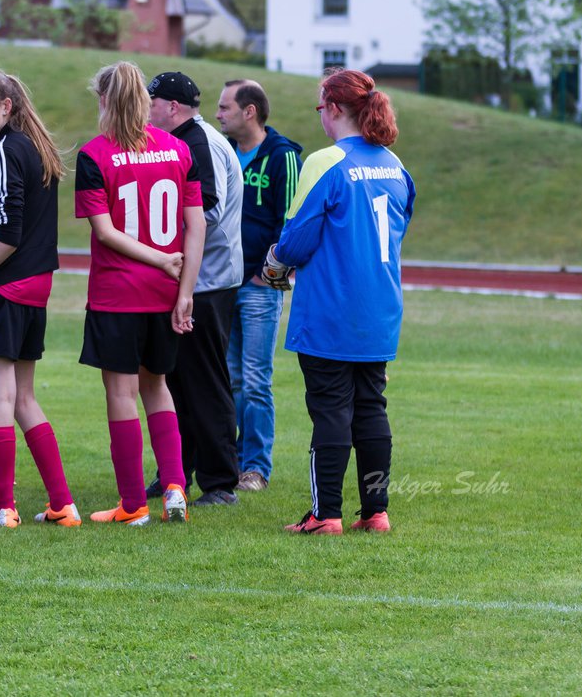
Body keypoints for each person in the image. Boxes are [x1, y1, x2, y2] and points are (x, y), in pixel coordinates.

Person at [262, 68, 414, 535]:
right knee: (371, 408)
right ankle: (376, 511)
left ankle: (325, 514)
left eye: (319, 108)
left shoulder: (324, 161)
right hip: (381, 308)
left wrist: (273, 264)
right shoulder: (395, 165)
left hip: (331, 307)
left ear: (332, 108)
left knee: (331, 411)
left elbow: (296, 240)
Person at [76, 61, 205, 526]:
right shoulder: (176, 148)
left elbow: (106, 232)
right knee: (158, 386)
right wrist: (184, 287)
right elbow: (197, 223)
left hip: (118, 292)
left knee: (121, 392)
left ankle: (132, 503)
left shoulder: (95, 154)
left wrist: (159, 261)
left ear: (106, 100)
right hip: (166, 291)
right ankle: (175, 487)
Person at [0, 69, 78, 529]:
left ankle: (5, 507)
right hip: (35, 287)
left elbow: (9, 233)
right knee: (24, 398)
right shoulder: (35, 146)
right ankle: (62, 504)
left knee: (1, 397)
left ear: (7, 105)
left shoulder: (5, 149)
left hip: (4, 287)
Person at [145, 71, 244, 507]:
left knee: (204, 379)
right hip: (192, 277)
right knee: (177, 380)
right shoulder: (184, 138)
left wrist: (160, 232)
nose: (146, 109)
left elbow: (209, 208)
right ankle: (175, 474)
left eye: (151, 102)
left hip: (207, 280)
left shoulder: (196, 140)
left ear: (171, 107)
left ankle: (221, 481)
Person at [216, 79, 303, 492]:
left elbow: (289, 220)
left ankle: (256, 468)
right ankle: (230, 461)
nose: (218, 115)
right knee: (230, 377)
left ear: (249, 111)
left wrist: (266, 272)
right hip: (224, 281)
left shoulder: (282, 156)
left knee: (255, 378)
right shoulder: (224, 151)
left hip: (258, 286)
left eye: (224, 108)